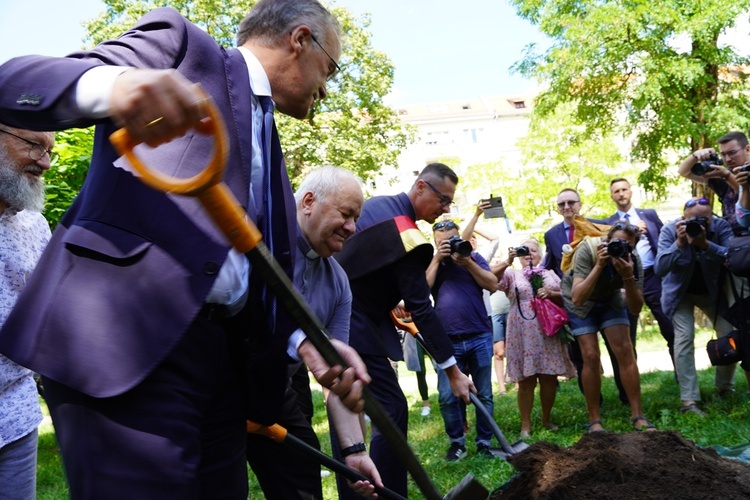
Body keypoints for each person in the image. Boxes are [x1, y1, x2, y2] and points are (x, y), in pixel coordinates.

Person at [0, 2, 375, 498]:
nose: (326, 87)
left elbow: (249, 272)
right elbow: (17, 82)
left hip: (221, 366)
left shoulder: (268, 144)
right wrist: (120, 86)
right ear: (299, 40)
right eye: (330, 67)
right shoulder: (186, 48)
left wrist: (303, 342)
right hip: (125, 341)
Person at [334, 163, 474, 497]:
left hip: (337, 317)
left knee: (351, 409)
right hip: (354, 325)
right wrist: (452, 371)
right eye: (443, 199)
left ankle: (354, 492)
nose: (446, 209)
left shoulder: (378, 205)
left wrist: (385, 306)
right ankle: (385, 493)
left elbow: (363, 271)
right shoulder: (407, 233)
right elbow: (421, 307)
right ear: (421, 186)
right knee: (391, 409)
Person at [246, 166, 382, 499]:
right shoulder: (256, 233)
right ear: (308, 201)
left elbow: (338, 376)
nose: (352, 227)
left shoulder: (338, 284)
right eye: (346, 214)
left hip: (274, 388)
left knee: (301, 475)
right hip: (214, 381)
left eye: (356, 218)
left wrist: (355, 450)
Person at [0, 123, 54, 500]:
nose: (45, 162)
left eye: (50, 150)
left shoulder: (35, 226)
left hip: (15, 416)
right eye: (34, 146)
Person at [562, 223, 655, 432]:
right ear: (607, 240)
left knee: (625, 351)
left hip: (611, 298)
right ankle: (594, 419)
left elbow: (635, 307)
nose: (621, 248)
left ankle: (638, 415)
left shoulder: (634, 260)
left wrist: (628, 276)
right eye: (616, 243)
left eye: (627, 245)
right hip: (580, 300)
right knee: (591, 355)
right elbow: (577, 297)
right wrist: (600, 266)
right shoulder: (589, 250)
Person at [655, 197, 742, 415]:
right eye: (693, 220)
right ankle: (689, 401)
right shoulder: (670, 230)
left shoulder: (720, 226)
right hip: (679, 294)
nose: (700, 223)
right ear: (683, 218)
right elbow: (659, 268)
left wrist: (705, 244)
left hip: (712, 292)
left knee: (728, 333)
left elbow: (732, 256)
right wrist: (679, 244)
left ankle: (724, 387)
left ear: (712, 216)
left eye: (705, 219)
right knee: (684, 338)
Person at [427, 220, 498, 461]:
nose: (449, 245)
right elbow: (421, 290)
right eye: (442, 242)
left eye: (452, 240)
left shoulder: (474, 259)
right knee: (448, 396)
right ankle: (457, 444)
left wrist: (467, 262)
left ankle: (484, 443)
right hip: (446, 340)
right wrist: (437, 259)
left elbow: (493, 284)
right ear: (435, 243)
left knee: (484, 393)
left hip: (479, 334)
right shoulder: (432, 264)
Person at [492, 239, 575, 438]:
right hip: (522, 333)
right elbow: (492, 280)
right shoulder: (511, 274)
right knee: (526, 381)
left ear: (540, 253)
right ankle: (526, 425)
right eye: (524, 250)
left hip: (547, 331)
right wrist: (507, 260)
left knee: (549, 377)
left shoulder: (550, 273)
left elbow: (567, 296)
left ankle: (546, 418)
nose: (529, 253)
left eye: (533, 250)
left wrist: (551, 293)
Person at [605, 178, 676, 382]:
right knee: (627, 337)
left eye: (624, 189)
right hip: (624, 280)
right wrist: (630, 228)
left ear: (630, 192)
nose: (621, 193)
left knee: (669, 327)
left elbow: (664, 239)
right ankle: (627, 389)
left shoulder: (650, 214)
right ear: (612, 196)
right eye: (616, 191)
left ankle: (683, 379)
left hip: (654, 276)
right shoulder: (607, 223)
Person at [542, 188, 609, 400]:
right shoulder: (551, 235)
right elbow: (551, 266)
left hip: (604, 293)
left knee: (618, 348)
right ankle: (593, 399)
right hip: (573, 299)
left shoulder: (598, 226)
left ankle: (627, 396)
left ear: (580, 204)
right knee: (580, 353)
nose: (567, 207)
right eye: (562, 204)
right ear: (557, 208)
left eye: (571, 202)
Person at [678, 131, 746, 235]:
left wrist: (727, 176)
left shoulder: (726, 175)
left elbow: (745, 191)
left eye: (732, 153)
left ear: (747, 149)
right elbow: (684, 172)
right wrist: (695, 155)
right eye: (723, 154)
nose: (727, 159)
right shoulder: (722, 176)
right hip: (733, 238)